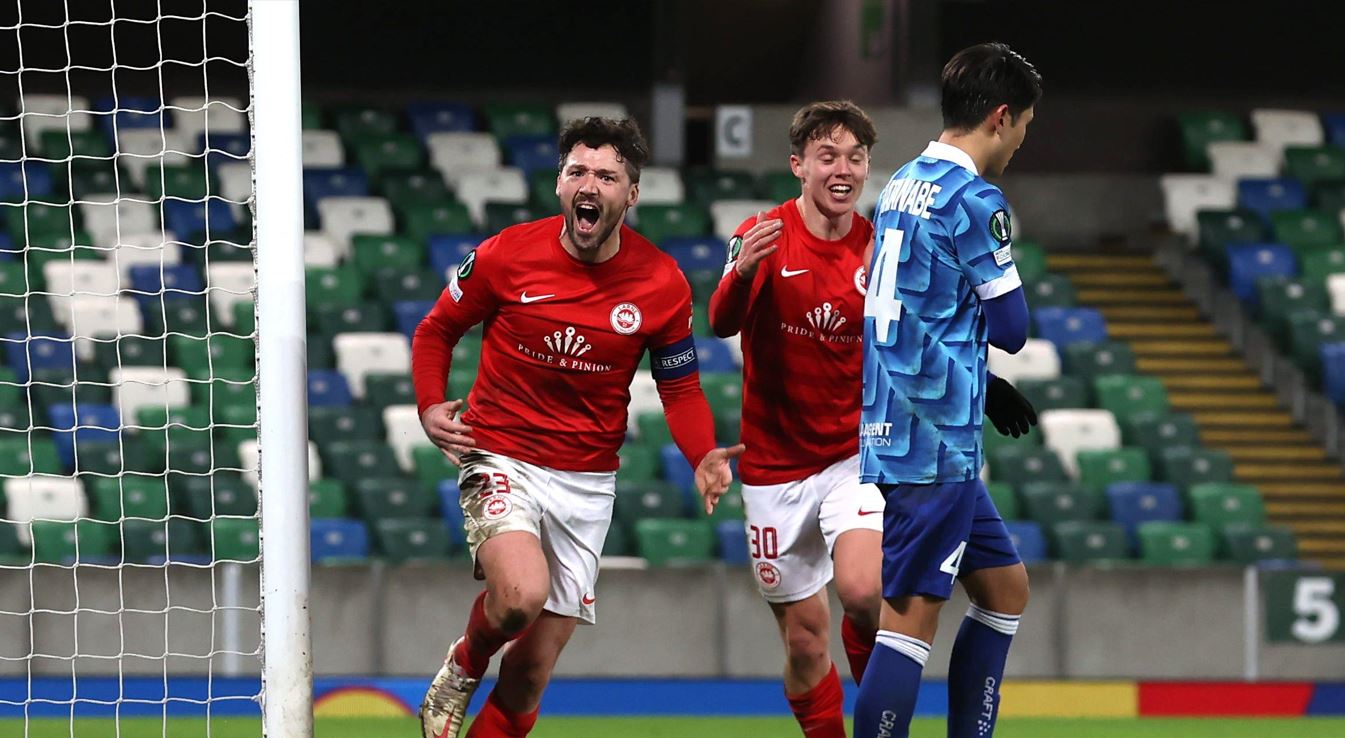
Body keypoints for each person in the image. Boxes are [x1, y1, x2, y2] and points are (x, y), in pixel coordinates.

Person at [412, 116, 743, 738]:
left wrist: (702, 453)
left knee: (531, 674)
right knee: (518, 597)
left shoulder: (662, 282)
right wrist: (430, 404)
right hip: (499, 454)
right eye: (578, 172)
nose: (590, 184)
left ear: (631, 194)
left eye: (607, 175)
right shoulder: (506, 253)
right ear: (561, 186)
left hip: (587, 484)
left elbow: (680, 386)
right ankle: (464, 662)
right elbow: (436, 330)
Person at [852, 42, 1042, 738]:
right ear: (999, 116)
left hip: (903, 423)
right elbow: (1013, 325)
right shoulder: (973, 199)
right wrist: (985, 356)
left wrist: (978, 380)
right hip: (932, 442)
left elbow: (887, 304)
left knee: (1003, 588)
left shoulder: (900, 183)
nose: (1020, 141)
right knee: (907, 623)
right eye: (1022, 125)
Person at [708, 100, 884, 738]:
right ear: (799, 165)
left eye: (855, 158)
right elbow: (721, 322)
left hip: (851, 456)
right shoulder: (763, 233)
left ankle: (882, 723)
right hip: (775, 470)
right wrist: (741, 273)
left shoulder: (879, 246)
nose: (843, 169)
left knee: (864, 596)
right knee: (805, 647)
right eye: (828, 156)